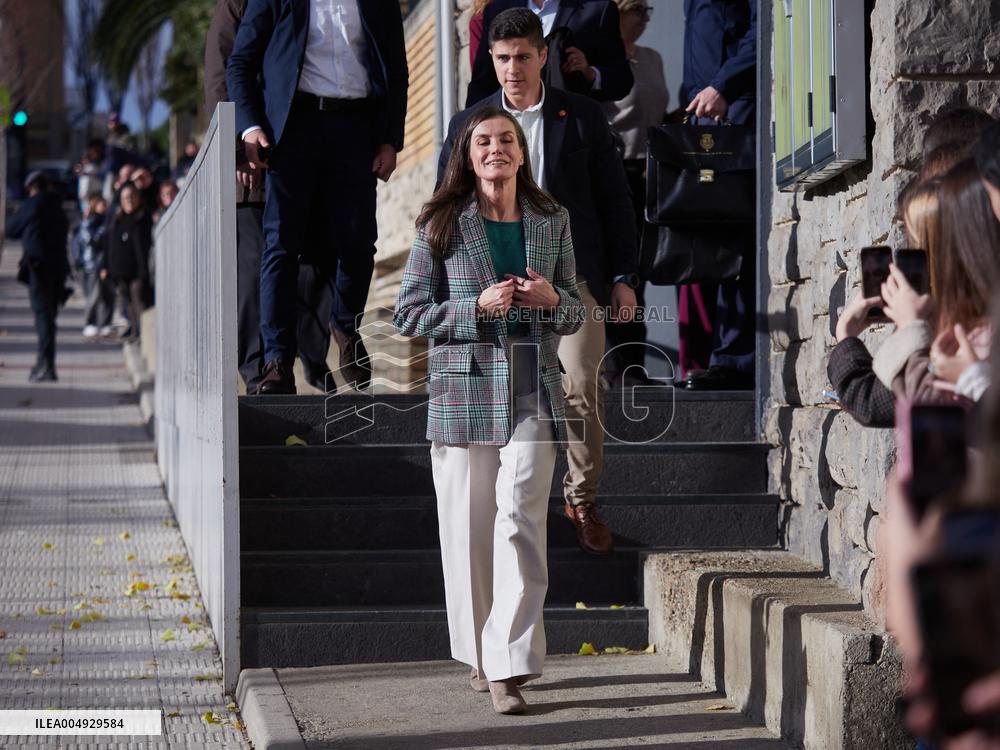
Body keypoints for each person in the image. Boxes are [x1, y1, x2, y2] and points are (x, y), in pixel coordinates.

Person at [394, 107, 584, 715]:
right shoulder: (439, 222)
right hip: (464, 387)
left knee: (521, 514)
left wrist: (553, 297)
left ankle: (506, 663)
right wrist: (474, 306)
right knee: (469, 530)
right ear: (468, 155)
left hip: (531, 376)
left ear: (521, 153)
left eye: (507, 139)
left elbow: (576, 309)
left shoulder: (553, 220)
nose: (496, 148)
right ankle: (480, 654)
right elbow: (408, 316)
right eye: (484, 141)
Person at [441, 8, 639, 556]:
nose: (512, 69)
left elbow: (616, 202)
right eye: (502, 59)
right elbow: (445, 209)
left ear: (543, 55)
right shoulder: (469, 126)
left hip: (571, 280)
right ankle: (499, 505)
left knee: (581, 376)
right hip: (495, 282)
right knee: (506, 391)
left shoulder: (581, 117)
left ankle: (581, 499)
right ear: (491, 59)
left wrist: (623, 277)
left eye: (523, 57)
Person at [227, 0, 409, 394]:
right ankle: (277, 360)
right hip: (294, 130)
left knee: (359, 244)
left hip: (355, 128)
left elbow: (396, 68)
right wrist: (250, 127)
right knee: (281, 246)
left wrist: (390, 139)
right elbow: (240, 62)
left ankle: (345, 327)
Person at [206, 0, 361, 394]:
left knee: (316, 263)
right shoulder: (239, 4)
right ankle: (264, 374)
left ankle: (313, 359)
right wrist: (240, 147)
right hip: (253, 167)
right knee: (260, 267)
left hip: (302, 152)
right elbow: (223, 71)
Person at [873, 159, 1000, 404]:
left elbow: (935, 421)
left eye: (918, 246)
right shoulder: (957, 329)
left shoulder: (982, 341)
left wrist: (911, 328)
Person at [679, 0, 757, 391]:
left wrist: (724, 85)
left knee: (735, 243)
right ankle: (714, 357)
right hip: (706, 123)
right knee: (710, 243)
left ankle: (736, 361)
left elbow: (765, 33)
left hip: (737, 119)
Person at [601, 0, 666, 385]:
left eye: (648, 11)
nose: (644, 18)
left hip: (653, 173)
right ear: (618, 14)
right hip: (616, 172)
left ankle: (632, 365)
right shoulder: (601, 63)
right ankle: (622, 365)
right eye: (636, 10)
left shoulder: (653, 58)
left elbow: (658, 111)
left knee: (645, 271)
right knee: (622, 272)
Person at [466, 0, 633, 107]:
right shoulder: (498, 8)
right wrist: (472, 130)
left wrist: (590, 73)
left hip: (570, 135)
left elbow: (622, 81)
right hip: (509, 133)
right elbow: (482, 83)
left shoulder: (598, 9)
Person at [6, 171, 71, 382]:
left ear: (32, 188)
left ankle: (47, 365)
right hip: (58, 268)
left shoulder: (32, 205)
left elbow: (10, 230)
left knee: (43, 317)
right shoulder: (57, 206)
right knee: (49, 317)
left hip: (39, 269)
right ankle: (44, 362)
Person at [102, 183, 153, 342]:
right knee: (128, 305)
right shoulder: (117, 219)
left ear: (138, 198)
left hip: (138, 271)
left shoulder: (143, 217)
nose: (129, 200)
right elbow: (109, 244)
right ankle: (135, 333)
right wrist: (105, 266)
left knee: (139, 303)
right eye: (125, 198)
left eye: (132, 196)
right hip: (120, 271)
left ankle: (146, 336)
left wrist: (144, 271)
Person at [72, 195, 114, 340]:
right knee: (94, 296)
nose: (105, 208)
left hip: (106, 263)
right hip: (91, 265)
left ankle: (105, 324)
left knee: (108, 295)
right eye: (102, 205)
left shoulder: (108, 221)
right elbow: (89, 240)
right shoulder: (89, 223)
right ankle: (91, 323)